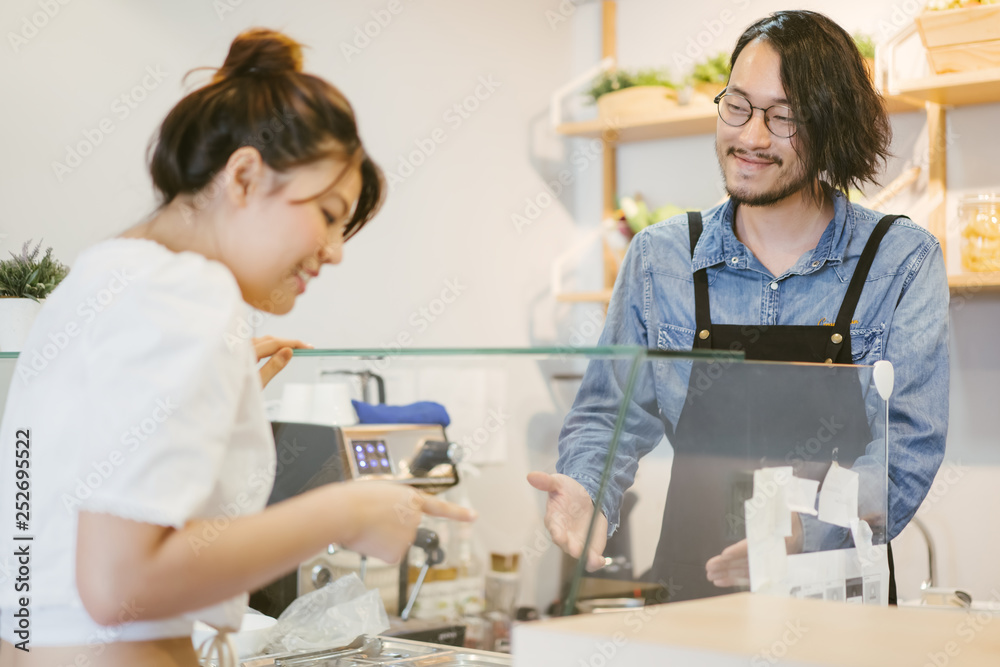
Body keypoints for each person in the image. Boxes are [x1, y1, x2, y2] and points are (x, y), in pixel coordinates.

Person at [0, 29, 474, 666]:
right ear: (245, 176)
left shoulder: (106, 276)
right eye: (330, 213)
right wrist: (344, 510)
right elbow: (118, 586)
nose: (335, 251)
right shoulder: (186, 293)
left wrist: (210, 401)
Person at [529, 10, 948, 603]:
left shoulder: (899, 261)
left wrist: (805, 533)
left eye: (784, 118)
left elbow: (907, 446)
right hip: (690, 593)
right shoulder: (660, 258)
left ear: (831, 127)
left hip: (833, 599)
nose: (751, 137)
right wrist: (588, 489)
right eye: (738, 106)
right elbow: (609, 416)